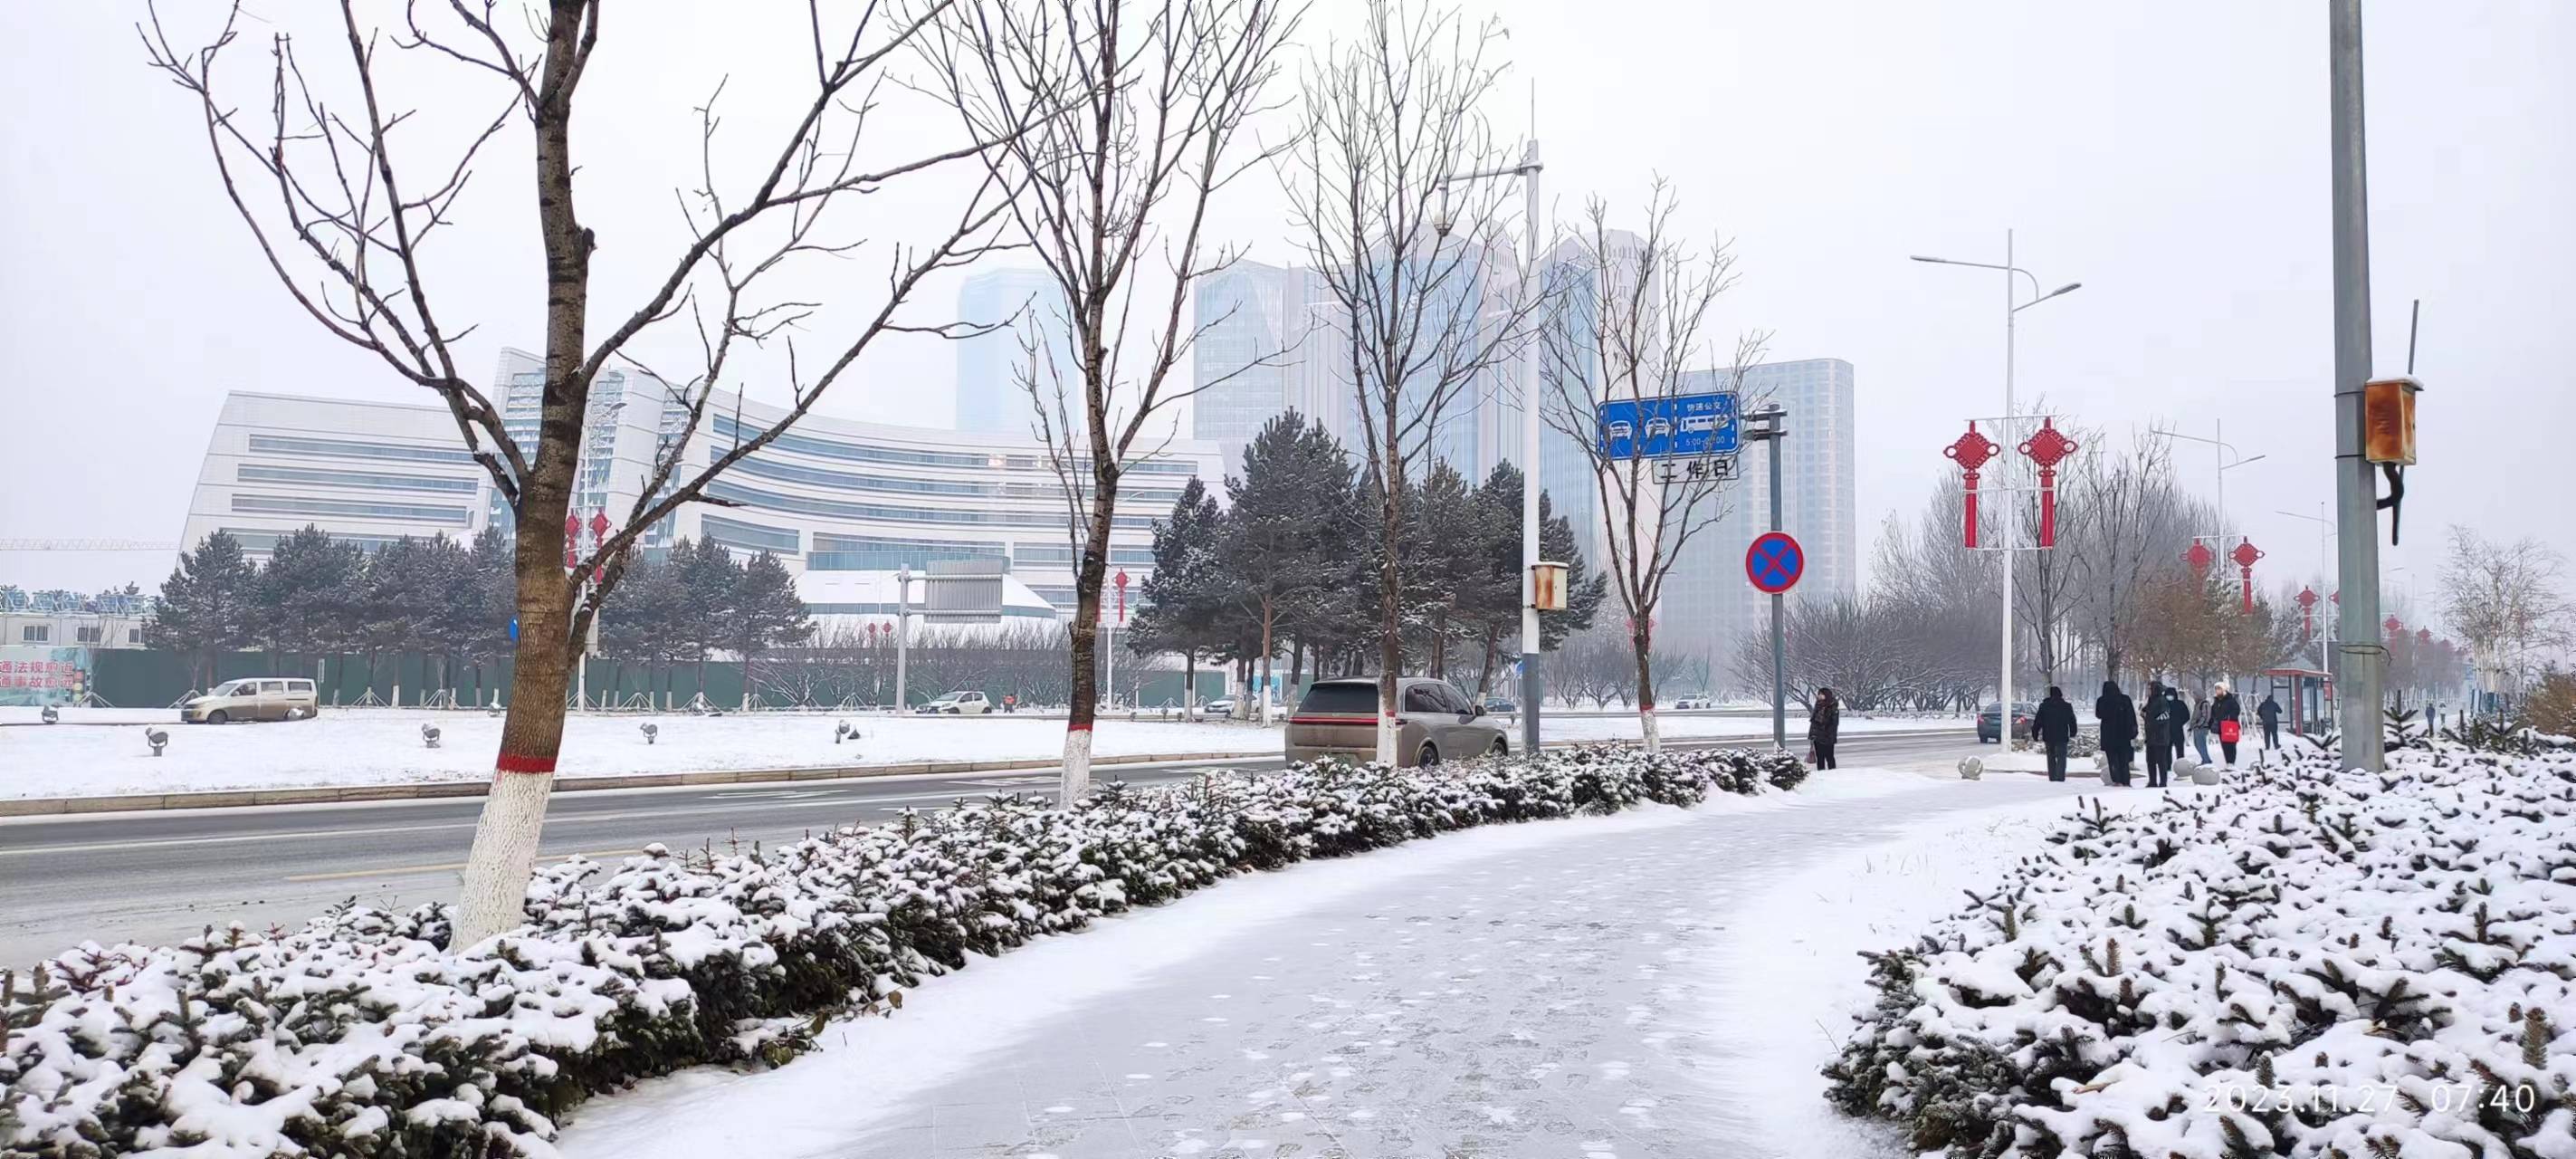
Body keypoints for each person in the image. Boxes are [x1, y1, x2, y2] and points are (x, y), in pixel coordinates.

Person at [2095, 679, 2138, 787]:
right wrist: (2133, 730)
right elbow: (2131, 716)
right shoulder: (2125, 699)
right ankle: (2126, 780)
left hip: (2109, 735)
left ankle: (2117, 779)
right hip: (2124, 734)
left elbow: (2099, 714)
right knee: (2124, 760)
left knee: (2112, 760)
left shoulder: (2102, 701)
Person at [2034, 685, 2078, 782]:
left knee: (2051, 756)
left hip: (2048, 735)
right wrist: (2073, 731)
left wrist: (2035, 733)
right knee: (2062, 756)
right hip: (2062, 735)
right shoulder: (2066, 706)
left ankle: (2052, 776)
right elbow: (2072, 720)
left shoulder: (2044, 706)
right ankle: (2060, 776)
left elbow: (2038, 721)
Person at [2142, 679, 2174, 788]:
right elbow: (2146, 712)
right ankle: (2152, 781)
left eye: (2149, 689)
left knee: (2161, 760)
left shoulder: (2162, 701)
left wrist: (2152, 722)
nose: (2148, 691)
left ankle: (2163, 781)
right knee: (2150, 760)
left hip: (2160, 736)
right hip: (2151, 736)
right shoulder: (2151, 700)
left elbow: (2165, 716)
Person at [2210, 682, 2245, 766]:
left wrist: (2229, 717)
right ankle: (2228, 762)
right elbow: (2213, 712)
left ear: (2224, 690)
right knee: (2224, 745)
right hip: (2220, 727)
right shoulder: (2216, 701)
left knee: (2231, 745)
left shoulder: (2231, 700)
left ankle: (2231, 762)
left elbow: (2236, 710)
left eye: (2219, 689)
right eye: (2216, 689)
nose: (2217, 691)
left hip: (2230, 726)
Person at [1808, 686, 1842, 770]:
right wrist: (1812, 734)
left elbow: (1834, 724)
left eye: (1821, 694)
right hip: (1817, 736)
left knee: (1829, 757)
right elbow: (1814, 721)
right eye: (1819, 694)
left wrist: (1827, 733)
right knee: (1820, 757)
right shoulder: (1818, 706)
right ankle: (1821, 772)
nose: (1819, 696)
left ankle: (1832, 772)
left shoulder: (1832, 707)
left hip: (1827, 737)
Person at [2166, 685, 2190, 764]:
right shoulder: (2163, 704)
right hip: (2166, 730)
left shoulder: (2180, 704)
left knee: (2179, 749)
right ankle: (2167, 765)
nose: (2169, 697)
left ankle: (2181, 765)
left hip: (2178, 730)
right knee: (2167, 750)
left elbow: (2187, 715)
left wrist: (2179, 722)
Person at [2190, 689, 2214, 765]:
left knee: (2201, 745)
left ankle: (2206, 760)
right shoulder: (2197, 704)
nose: (2194, 697)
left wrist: (2199, 724)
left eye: (2195, 695)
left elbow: (2206, 716)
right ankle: (2205, 759)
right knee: (2197, 744)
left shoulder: (2204, 704)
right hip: (2196, 727)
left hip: (2202, 728)